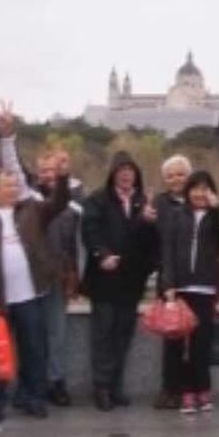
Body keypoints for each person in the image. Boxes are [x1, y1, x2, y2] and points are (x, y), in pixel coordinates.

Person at [0, 168, 71, 428]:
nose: (13, 189)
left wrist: (63, 178)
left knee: (34, 350)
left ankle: (34, 399)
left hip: (30, 296)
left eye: (15, 185)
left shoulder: (32, 210)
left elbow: (59, 203)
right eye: (7, 186)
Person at [0, 101, 83, 408]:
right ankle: (31, 385)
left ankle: (55, 381)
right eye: (44, 170)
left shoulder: (73, 197)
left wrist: (78, 275)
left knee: (56, 334)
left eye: (54, 171)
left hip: (59, 276)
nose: (48, 175)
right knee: (31, 336)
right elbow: (12, 167)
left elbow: (78, 238)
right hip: (29, 278)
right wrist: (7, 137)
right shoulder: (26, 196)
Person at [81, 151, 156, 412]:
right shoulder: (97, 200)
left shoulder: (143, 202)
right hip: (105, 279)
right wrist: (101, 254)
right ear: (113, 174)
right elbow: (90, 231)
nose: (126, 175)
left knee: (123, 335)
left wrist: (147, 223)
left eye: (130, 170)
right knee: (103, 335)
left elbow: (147, 242)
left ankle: (116, 386)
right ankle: (101, 387)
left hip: (131, 281)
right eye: (121, 170)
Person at [157, 170, 219, 414]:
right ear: (188, 191)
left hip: (205, 288)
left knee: (202, 343)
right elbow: (167, 252)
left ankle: (203, 389)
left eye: (205, 189)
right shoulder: (177, 216)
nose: (200, 193)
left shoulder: (215, 217)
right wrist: (168, 285)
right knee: (181, 345)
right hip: (181, 289)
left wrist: (218, 211)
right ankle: (186, 391)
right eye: (195, 188)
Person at [152, 155, 192, 410]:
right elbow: (160, 242)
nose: (176, 179)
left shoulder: (199, 199)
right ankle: (170, 389)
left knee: (195, 339)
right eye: (171, 175)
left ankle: (190, 389)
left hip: (195, 278)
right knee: (172, 338)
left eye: (180, 174)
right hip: (169, 277)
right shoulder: (160, 203)